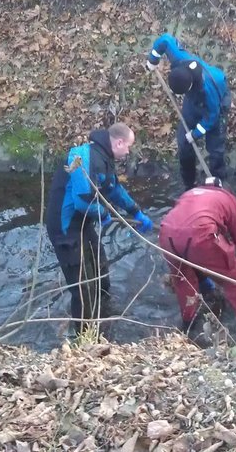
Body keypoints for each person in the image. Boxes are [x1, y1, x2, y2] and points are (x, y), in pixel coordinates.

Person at [45, 123, 154, 336]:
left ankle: (105, 315)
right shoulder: (84, 158)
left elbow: (114, 190)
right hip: (65, 228)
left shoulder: (104, 158)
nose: (129, 151)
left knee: (100, 269)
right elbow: (82, 200)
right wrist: (103, 215)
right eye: (129, 146)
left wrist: (135, 211)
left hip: (83, 223)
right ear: (119, 142)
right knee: (82, 287)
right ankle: (85, 337)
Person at [159, 177, 236, 335]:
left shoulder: (189, 194)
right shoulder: (228, 199)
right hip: (201, 234)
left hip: (166, 233)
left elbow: (183, 227)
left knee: (182, 280)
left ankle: (188, 326)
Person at [146, 33, 231, 189]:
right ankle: (189, 184)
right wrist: (153, 58)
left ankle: (219, 184)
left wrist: (196, 133)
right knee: (184, 142)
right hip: (194, 101)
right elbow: (165, 40)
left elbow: (211, 116)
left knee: (215, 146)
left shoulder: (208, 91)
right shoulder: (180, 59)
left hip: (217, 101)